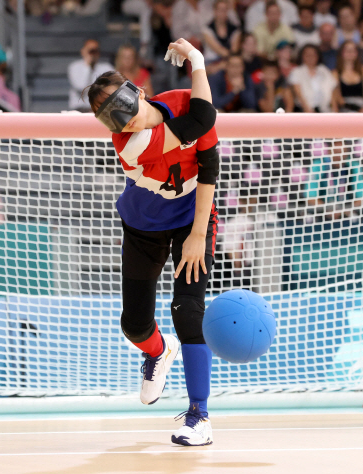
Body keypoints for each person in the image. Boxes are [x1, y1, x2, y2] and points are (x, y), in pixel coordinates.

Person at [85, 38, 219, 446]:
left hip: (192, 219)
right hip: (143, 225)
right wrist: (196, 64)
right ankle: (159, 351)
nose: (122, 120)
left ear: (139, 91)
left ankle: (199, 415)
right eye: (109, 118)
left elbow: (209, 162)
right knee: (134, 324)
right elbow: (202, 118)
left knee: (188, 307)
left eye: (123, 106)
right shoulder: (131, 146)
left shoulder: (180, 100)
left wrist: (198, 234)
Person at [68, 39, 113, 112]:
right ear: (83, 51)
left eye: (95, 50)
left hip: (100, 109)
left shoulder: (106, 68)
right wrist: (87, 66)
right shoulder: (74, 67)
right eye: (90, 50)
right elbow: (81, 87)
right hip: (79, 110)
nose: (93, 53)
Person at [289, 44, 336, 112]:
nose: (311, 57)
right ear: (302, 56)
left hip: (324, 110)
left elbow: (332, 91)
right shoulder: (297, 71)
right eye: (307, 55)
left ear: (318, 56)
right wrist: (307, 110)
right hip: (304, 111)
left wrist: (334, 110)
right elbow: (298, 92)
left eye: (313, 55)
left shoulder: (324, 70)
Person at [332, 41, 363, 112]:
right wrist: (356, 109)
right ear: (341, 53)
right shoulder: (335, 73)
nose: (350, 53)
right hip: (346, 108)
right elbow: (339, 99)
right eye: (347, 50)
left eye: (353, 50)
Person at [202, 0, 242, 67]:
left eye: (225, 10)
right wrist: (224, 64)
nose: (222, 13)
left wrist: (227, 62)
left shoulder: (235, 30)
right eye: (220, 10)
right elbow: (218, 49)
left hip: (229, 60)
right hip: (212, 61)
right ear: (215, 11)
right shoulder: (207, 30)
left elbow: (234, 49)